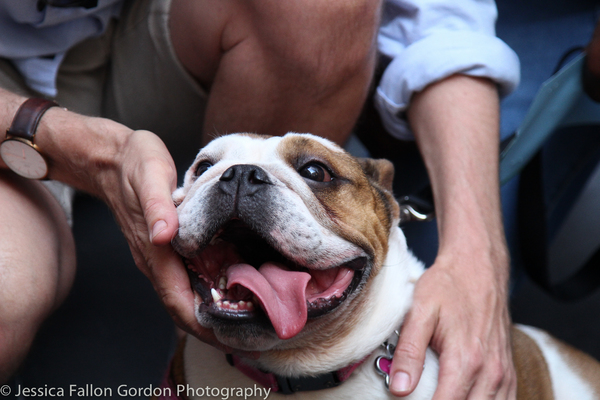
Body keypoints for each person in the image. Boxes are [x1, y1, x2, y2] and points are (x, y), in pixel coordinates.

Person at [0, 1, 519, 399]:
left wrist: (478, 254)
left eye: (314, 172)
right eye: (211, 170)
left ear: (385, 200)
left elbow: (444, 23)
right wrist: (82, 147)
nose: (243, 181)